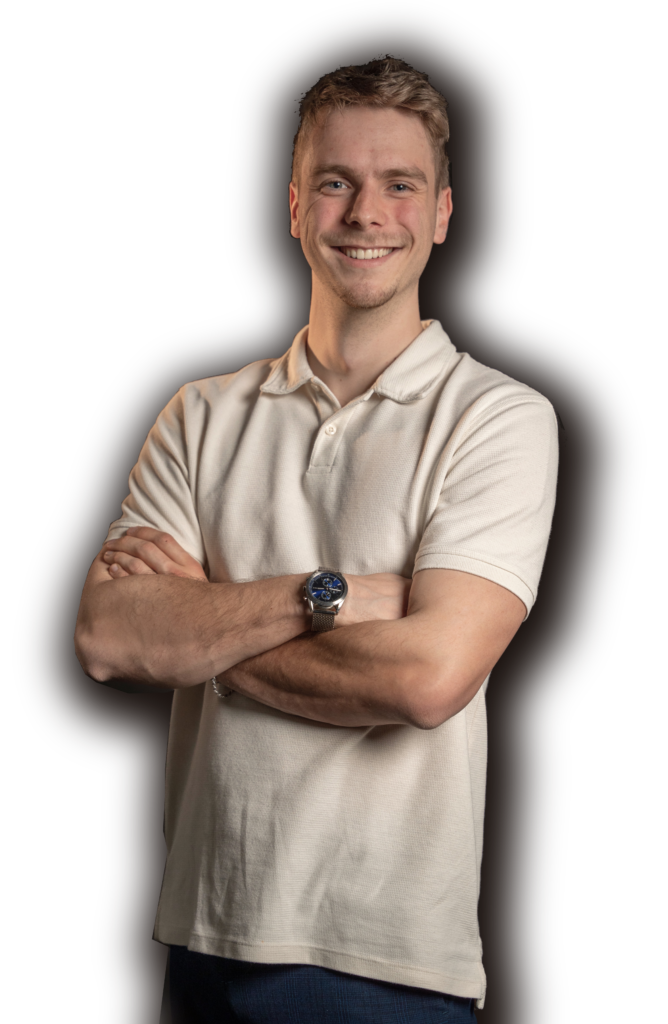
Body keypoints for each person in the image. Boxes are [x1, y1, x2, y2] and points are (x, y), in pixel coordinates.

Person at [75, 59, 558, 1023]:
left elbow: (425, 680)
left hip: (383, 956)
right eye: (336, 182)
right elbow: (107, 637)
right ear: (295, 208)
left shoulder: (498, 418)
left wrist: (201, 633)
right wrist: (339, 594)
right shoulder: (199, 413)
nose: (365, 212)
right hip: (203, 933)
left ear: (442, 214)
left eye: (400, 184)